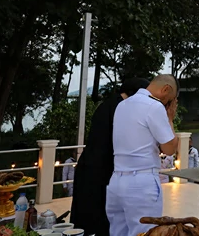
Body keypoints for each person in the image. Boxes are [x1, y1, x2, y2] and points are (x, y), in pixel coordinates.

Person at [71, 78, 149, 236]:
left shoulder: (108, 104)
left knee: (86, 218)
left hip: (90, 166)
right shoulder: (122, 108)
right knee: (100, 219)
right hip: (102, 170)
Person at [107, 74, 179, 236]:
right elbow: (169, 149)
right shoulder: (154, 106)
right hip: (141, 183)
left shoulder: (122, 105)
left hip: (117, 181)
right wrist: (170, 119)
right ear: (166, 89)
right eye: (169, 100)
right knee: (146, 232)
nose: (167, 104)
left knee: (118, 232)